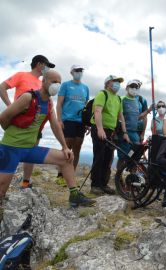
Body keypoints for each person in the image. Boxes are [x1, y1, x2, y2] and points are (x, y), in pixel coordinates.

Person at [0, 70, 95, 221]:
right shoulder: (27, 97)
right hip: (10, 149)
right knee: (1, 191)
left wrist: (64, 146)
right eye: (53, 81)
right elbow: (3, 118)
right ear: (44, 81)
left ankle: (74, 195)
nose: (56, 85)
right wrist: (12, 134)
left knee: (66, 158)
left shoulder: (49, 103)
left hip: (29, 150)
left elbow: (56, 126)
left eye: (59, 82)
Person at [0, 55, 55, 189]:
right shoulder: (21, 75)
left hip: (36, 125)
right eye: (47, 66)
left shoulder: (42, 82)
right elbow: (2, 87)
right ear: (39, 64)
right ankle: (4, 182)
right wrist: (10, 106)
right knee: (11, 152)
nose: (48, 69)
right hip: (20, 124)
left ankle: (25, 182)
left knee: (31, 151)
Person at [90, 75, 128, 196]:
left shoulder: (118, 98)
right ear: (108, 83)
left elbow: (120, 116)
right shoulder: (102, 94)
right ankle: (95, 185)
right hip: (100, 129)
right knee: (99, 157)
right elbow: (97, 111)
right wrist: (100, 129)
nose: (118, 84)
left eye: (119, 82)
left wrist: (125, 132)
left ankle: (103, 184)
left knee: (108, 158)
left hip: (111, 131)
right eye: (115, 81)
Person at [56, 65, 89, 177]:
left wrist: (88, 123)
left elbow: (86, 107)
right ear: (72, 72)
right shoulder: (65, 85)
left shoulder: (86, 88)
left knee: (77, 149)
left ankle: (71, 174)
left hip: (81, 122)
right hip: (68, 120)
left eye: (81, 70)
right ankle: (60, 174)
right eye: (77, 70)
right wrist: (59, 119)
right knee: (67, 147)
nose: (79, 72)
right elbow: (59, 103)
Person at [116, 79, 152, 162]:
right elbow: (118, 116)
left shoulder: (138, 101)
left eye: (136, 87)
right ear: (127, 88)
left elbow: (138, 118)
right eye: (132, 86)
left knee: (135, 153)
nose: (134, 89)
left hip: (134, 132)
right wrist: (122, 132)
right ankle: (118, 173)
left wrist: (148, 110)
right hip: (123, 132)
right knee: (122, 156)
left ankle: (129, 170)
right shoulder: (122, 99)